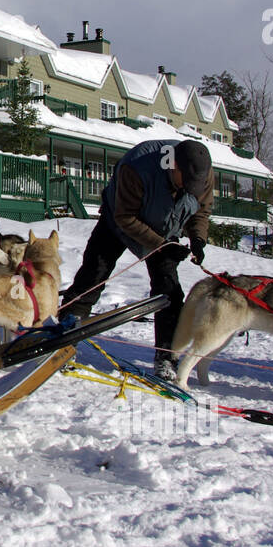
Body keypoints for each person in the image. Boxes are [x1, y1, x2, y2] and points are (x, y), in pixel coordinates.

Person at [59, 138, 213, 381]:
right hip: (117, 222)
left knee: (169, 292)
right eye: (187, 181)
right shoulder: (137, 168)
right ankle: (66, 334)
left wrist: (198, 239)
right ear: (173, 166)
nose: (191, 187)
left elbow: (201, 210)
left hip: (164, 229)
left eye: (196, 184)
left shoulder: (202, 174)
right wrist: (161, 245)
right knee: (94, 275)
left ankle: (166, 357)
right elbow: (125, 218)